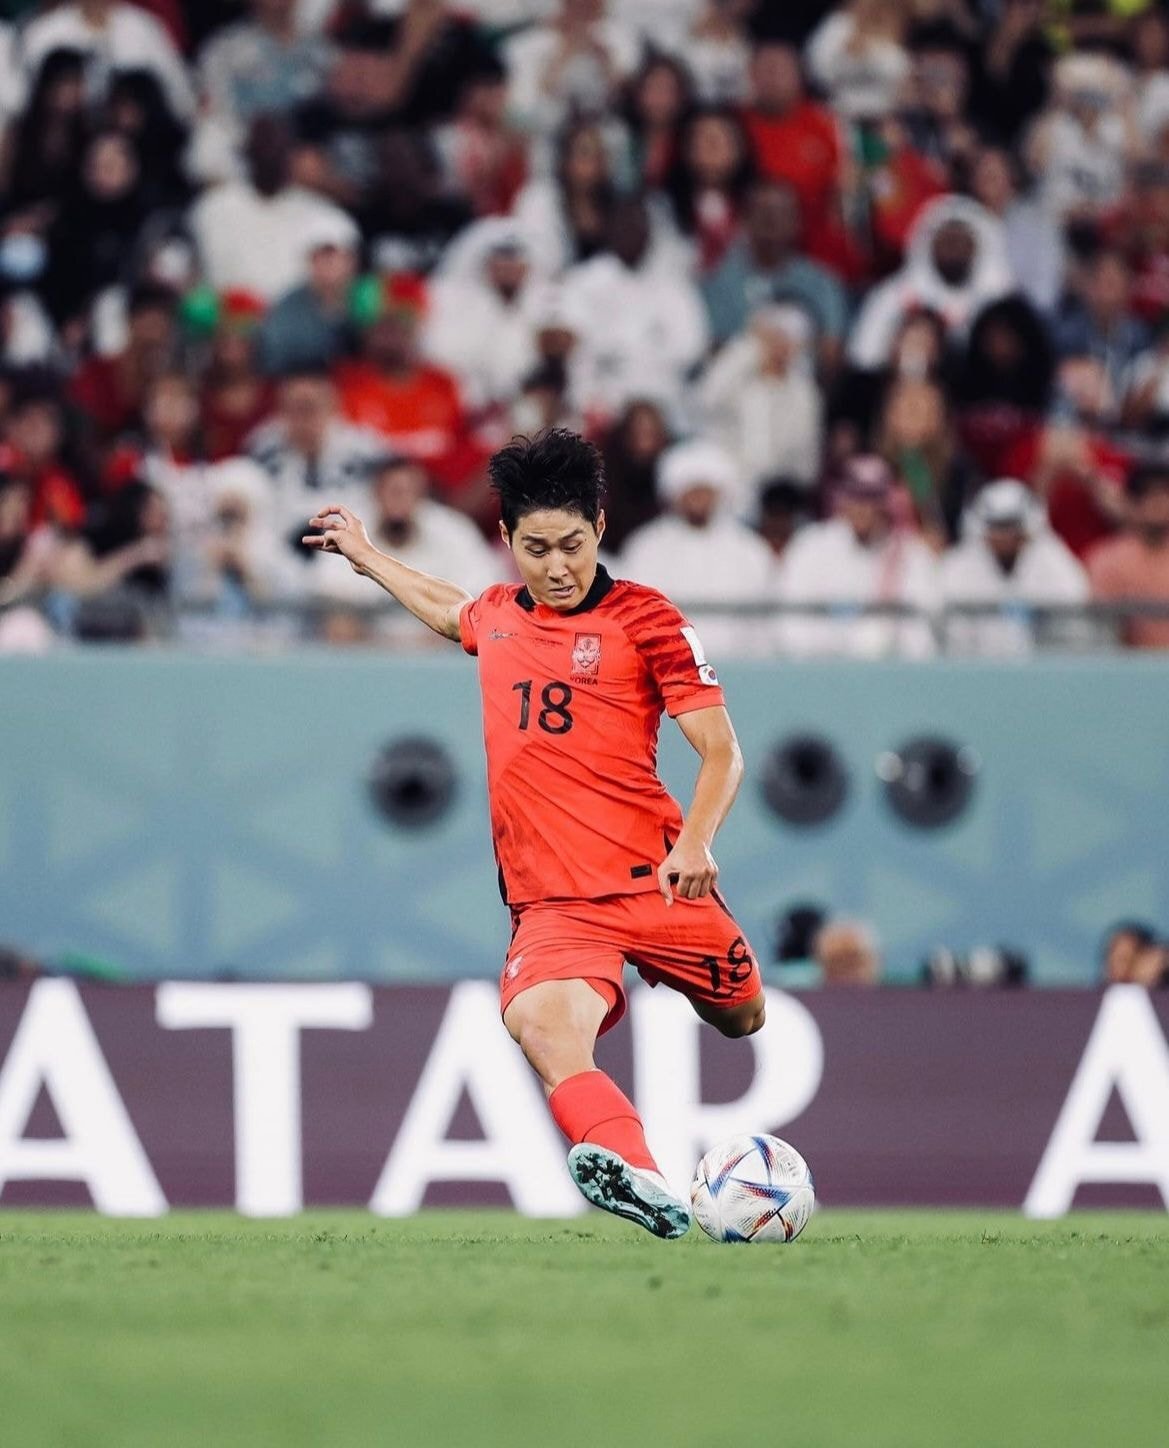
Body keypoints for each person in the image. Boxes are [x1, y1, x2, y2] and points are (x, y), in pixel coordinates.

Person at [302, 428, 764, 1238]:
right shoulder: (497, 615)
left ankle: (649, 1138)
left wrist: (695, 842)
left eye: (572, 546)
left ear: (601, 527)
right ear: (507, 539)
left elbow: (721, 751)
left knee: (742, 1017)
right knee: (544, 1030)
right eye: (536, 549)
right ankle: (640, 1176)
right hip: (555, 904)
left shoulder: (646, 619)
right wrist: (367, 558)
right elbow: (450, 609)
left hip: (658, 879)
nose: (556, 568)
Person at [620, 437, 773, 656]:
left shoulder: (750, 551)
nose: (698, 498)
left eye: (705, 490)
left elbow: (763, 626)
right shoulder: (646, 548)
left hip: (738, 665)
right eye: (691, 491)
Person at [779, 453, 941, 658]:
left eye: (872, 497)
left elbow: (925, 632)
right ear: (842, 497)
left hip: (891, 669)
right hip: (822, 667)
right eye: (856, 496)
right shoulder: (811, 547)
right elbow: (791, 625)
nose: (864, 507)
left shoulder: (912, 554)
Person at [941, 479, 1089, 657]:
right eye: (997, 527)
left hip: (1041, 665)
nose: (1004, 536)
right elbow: (951, 635)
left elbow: (1074, 617)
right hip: (976, 666)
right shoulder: (959, 566)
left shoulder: (1051, 559)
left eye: (1011, 526)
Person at [1087, 461, 1169, 649]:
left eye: (1165, 495)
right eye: (1151, 496)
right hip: (1129, 662)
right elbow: (1105, 630)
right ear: (1130, 503)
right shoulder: (1107, 560)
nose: (1160, 504)